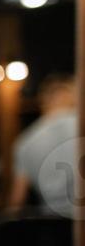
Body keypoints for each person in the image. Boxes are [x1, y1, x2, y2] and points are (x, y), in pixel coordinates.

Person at [8, 73, 78, 216]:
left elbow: (17, 201)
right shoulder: (80, 125)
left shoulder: (24, 142)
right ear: (72, 97)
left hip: (53, 227)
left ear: (43, 102)